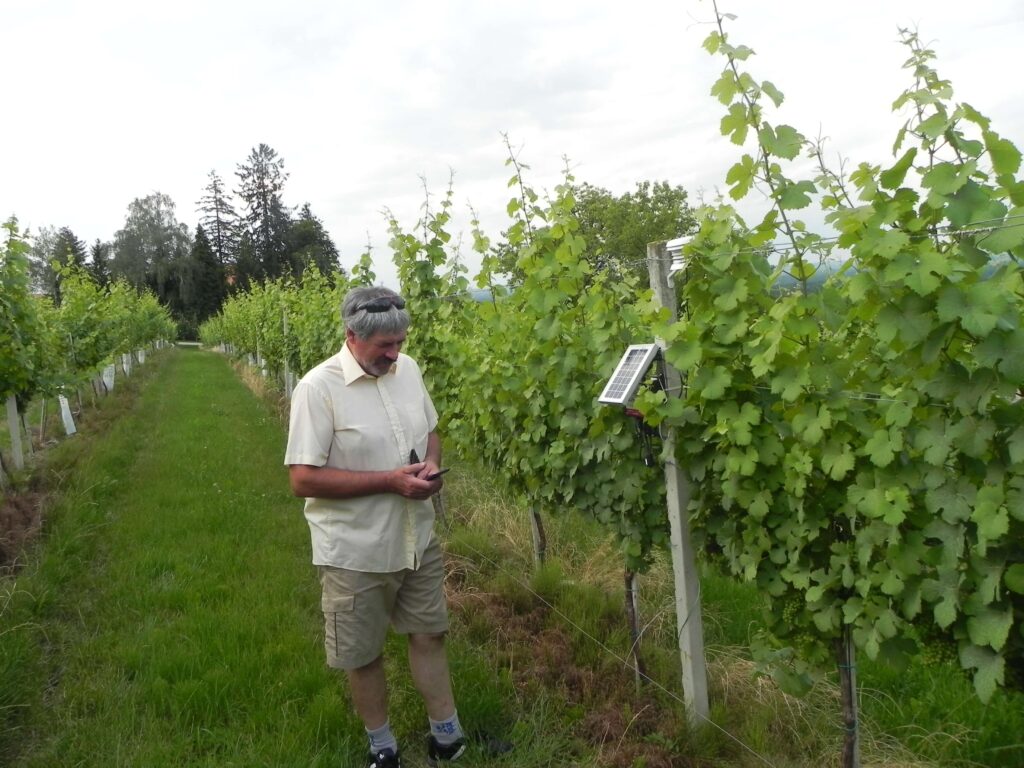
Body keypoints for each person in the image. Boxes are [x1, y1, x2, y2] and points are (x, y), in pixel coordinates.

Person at [285, 286, 465, 768]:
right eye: (385, 345)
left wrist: (429, 467)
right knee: (363, 654)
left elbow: (430, 430)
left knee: (429, 633)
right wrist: (389, 481)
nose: (395, 353)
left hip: (416, 537)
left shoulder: (408, 371)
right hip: (355, 550)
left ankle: (448, 736)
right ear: (351, 336)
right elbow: (302, 478)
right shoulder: (317, 389)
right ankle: (382, 747)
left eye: (400, 342)